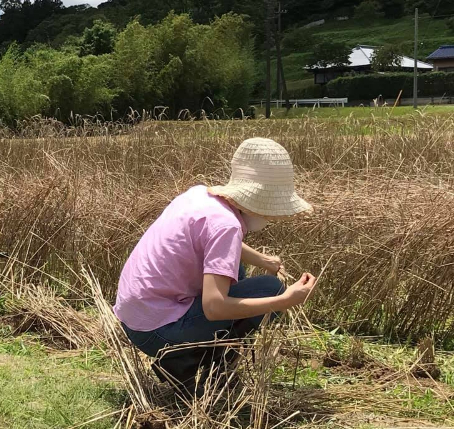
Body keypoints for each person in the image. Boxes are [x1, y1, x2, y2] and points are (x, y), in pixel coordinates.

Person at [114, 137, 317, 388]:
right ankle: (186, 362)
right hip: (157, 332)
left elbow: (214, 240)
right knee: (268, 289)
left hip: (135, 317)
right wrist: (287, 300)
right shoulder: (228, 226)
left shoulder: (200, 196)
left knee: (235, 270)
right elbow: (215, 308)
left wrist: (262, 259)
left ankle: (201, 359)